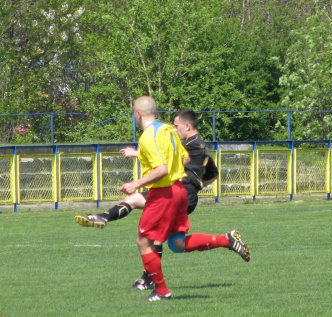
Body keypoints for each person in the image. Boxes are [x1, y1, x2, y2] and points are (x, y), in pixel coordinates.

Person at [77, 96, 250, 301]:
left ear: (138, 114)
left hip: (164, 192)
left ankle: (160, 290)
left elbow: (162, 168)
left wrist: (136, 183)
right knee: (177, 243)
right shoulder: (167, 130)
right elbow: (184, 158)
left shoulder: (148, 136)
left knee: (144, 240)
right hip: (178, 191)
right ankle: (226, 240)